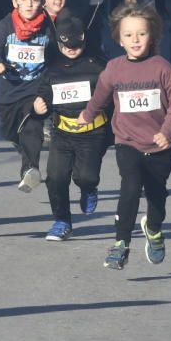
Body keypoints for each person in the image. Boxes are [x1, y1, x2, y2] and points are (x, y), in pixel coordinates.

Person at [79, 3, 171, 270]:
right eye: (128, 35)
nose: (135, 40)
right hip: (127, 143)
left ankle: (154, 229)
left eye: (141, 34)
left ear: (152, 35)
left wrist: (168, 131)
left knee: (157, 197)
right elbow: (100, 97)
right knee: (130, 187)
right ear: (118, 38)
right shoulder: (114, 68)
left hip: (159, 145)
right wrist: (87, 116)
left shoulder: (162, 67)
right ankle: (121, 243)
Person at [33, 13, 110, 241]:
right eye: (67, 46)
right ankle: (62, 221)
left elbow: (112, 94)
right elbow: (44, 93)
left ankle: (88, 189)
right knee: (55, 178)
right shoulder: (53, 68)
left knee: (85, 176)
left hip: (93, 133)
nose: (72, 49)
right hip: (62, 132)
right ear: (59, 43)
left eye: (76, 45)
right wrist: (39, 106)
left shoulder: (98, 65)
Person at [0, 0, 51, 192]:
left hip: (35, 88)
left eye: (35, 0)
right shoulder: (6, 25)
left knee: (32, 127)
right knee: (10, 131)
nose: (29, 4)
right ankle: (26, 155)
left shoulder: (48, 27)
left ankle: (30, 169)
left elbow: (58, 53)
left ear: (42, 3)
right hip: (10, 90)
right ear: (15, 2)